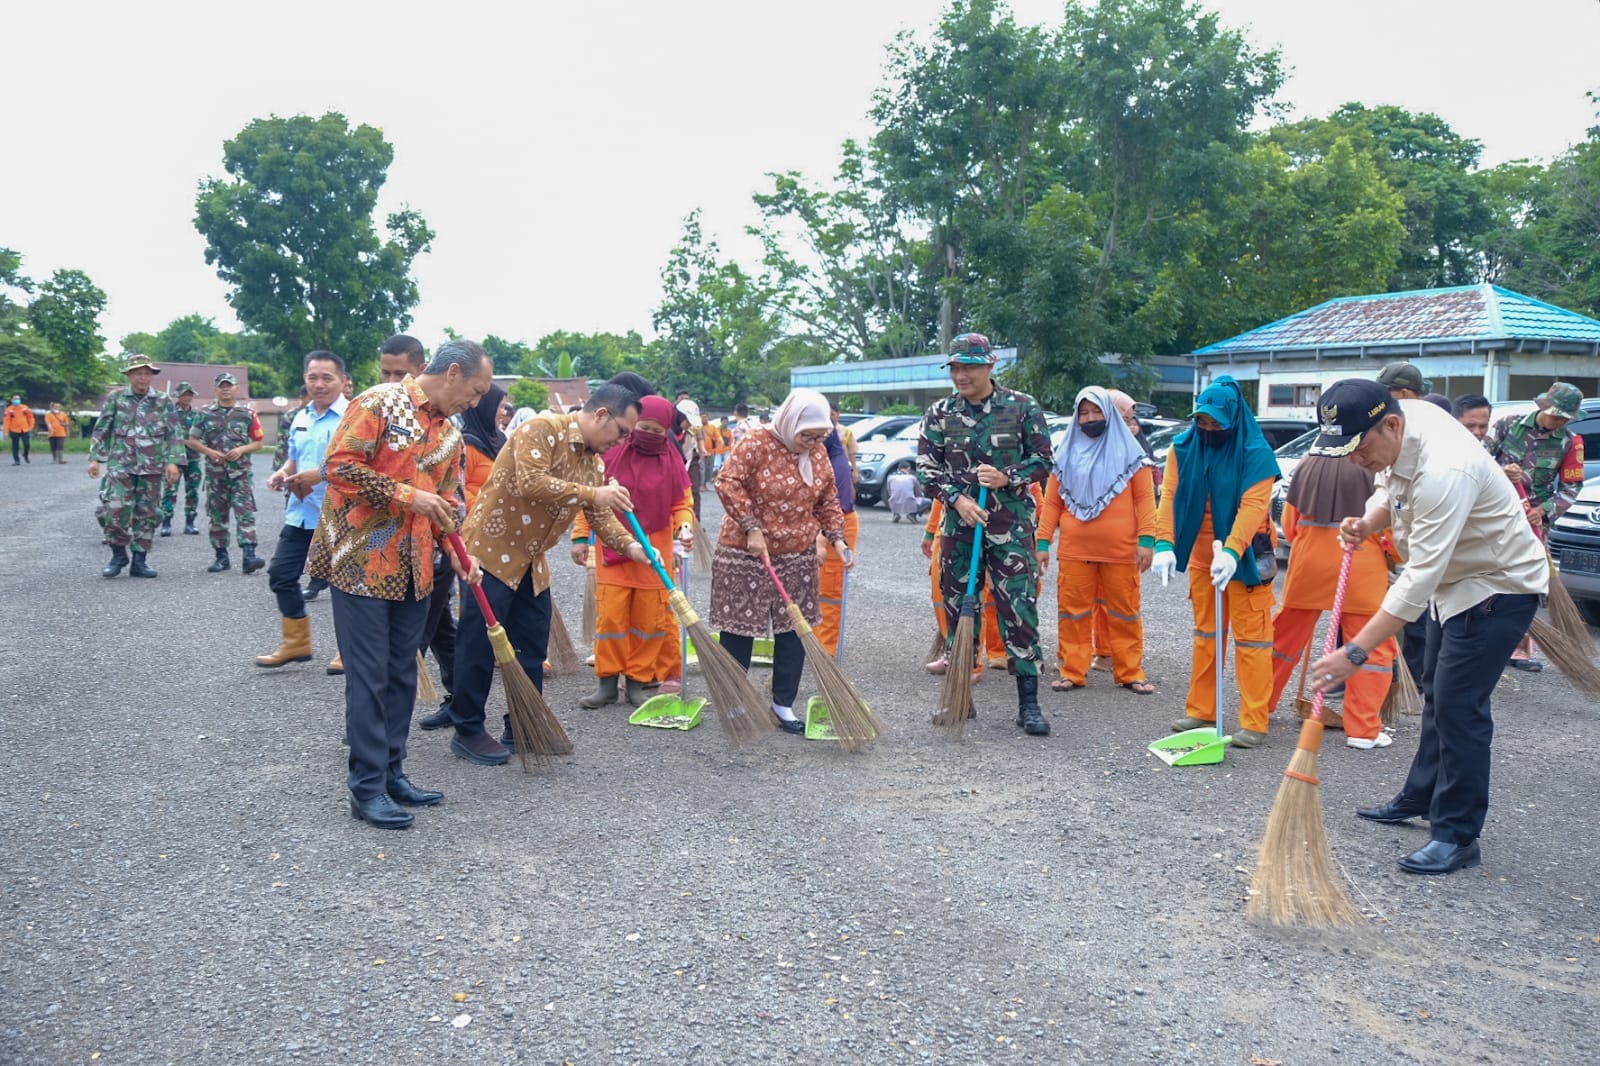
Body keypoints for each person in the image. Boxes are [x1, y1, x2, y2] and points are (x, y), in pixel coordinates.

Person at [1307, 379, 1548, 875]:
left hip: (1494, 589)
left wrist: (1353, 652)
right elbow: (1388, 489)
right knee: (1438, 693)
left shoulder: (1446, 469)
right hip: (1452, 587)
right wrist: (1369, 522)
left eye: (1360, 448)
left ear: (1391, 424)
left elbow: (1417, 580)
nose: (1355, 461)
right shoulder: (1403, 425)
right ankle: (1420, 796)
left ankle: (1458, 834)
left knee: (1461, 707)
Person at [307, 339, 492, 829]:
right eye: (474, 391)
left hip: (416, 569)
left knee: (401, 674)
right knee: (369, 679)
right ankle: (366, 788)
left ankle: (393, 773)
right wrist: (408, 496)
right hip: (361, 563)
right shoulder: (378, 403)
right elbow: (338, 467)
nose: (474, 403)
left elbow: (450, 503)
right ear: (452, 373)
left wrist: (458, 553)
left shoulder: (451, 434)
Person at [449, 384, 647, 764]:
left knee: (531, 644)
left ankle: (522, 724)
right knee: (477, 643)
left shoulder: (594, 462)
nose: (619, 441)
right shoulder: (542, 428)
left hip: (532, 561)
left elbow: (601, 518)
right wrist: (594, 495)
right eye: (620, 431)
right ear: (601, 415)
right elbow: (533, 483)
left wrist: (635, 549)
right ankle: (468, 729)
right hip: (490, 553)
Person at [916, 332, 1053, 735]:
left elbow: (1044, 460)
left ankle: (1028, 705)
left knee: (1019, 612)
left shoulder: (1022, 407)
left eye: (969, 367)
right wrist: (956, 498)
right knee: (959, 614)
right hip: (960, 529)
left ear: (990, 366)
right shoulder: (940, 413)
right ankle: (961, 699)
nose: (961, 375)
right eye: (955, 367)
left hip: (1010, 528)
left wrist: (1008, 477)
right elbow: (926, 467)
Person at [1151, 375, 1281, 748]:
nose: (1207, 429)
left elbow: (1254, 506)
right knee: (1207, 633)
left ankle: (1254, 721)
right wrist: (1164, 544)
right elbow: (1170, 495)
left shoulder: (1254, 452)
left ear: (1233, 420)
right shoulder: (1183, 447)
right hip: (1200, 553)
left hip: (1246, 554)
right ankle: (1202, 708)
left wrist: (1231, 551)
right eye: (1201, 421)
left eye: (1215, 423)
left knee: (1252, 638)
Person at [712, 387, 851, 733]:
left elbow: (828, 501)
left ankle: (782, 703)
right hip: (746, 553)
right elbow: (727, 481)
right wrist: (751, 527)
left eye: (820, 436)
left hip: (797, 555)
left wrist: (838, 538)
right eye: (808, 434)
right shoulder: (757, 441)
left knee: (793, 631)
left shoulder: (818, 455)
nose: (813, 442)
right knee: (740, 630)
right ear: (792, 421)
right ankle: (734, 701)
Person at [1267, 455, 1400, 748]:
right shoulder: (1376, 461)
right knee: (1371, 648)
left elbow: (1289, 526)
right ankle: (1363, 730)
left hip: (1308, 565)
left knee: (1283, 641)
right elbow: (1393, 529)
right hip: (1361, 566)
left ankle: (1258, 707)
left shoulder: (1308, 463)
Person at [570, 394, 694, 707]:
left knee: (649, 623)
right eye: (643, 427)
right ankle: (607, 682)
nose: (649, 435)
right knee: (610, 620)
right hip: (614, 551)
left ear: (666, 431)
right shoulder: (611, 455)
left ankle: (639, 680)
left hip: (654, 555)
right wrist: (580, 537)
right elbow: (590, 500)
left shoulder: (672, 461)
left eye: (657, 430)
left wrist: (685, 527)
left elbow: (683, 503)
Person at [1036, 386, 1158, 695]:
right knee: (1072, 612)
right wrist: (1042, 542)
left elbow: (1145, 499)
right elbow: (1052, 503)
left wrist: (1147, 540)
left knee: (1125, 612)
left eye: (1097, 412)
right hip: (1076, 550)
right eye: (1084, 413)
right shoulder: (1064, 456)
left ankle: (1130, 671)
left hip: (1121, 551)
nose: (1090, 418)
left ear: (1109, 414)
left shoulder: (1132, 454)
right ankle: (1072, 671)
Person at [413, 382, 507, 732]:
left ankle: (455, 698)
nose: (497, 410)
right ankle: (381, 716)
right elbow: (459, 497)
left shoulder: (499, 441)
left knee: (440, 626)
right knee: (438, 627)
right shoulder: (466, 443)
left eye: (497, 403)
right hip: (460, 540)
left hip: (483, 544)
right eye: (495, 405)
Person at [256, 352, 349, 668]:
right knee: (281, 575)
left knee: (344, 586)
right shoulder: (301, 417)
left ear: (343, 382)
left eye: (327, 378)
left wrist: (320, 475)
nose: (319, 384)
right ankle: (297, 644)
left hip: (341, 515)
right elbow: (294, 458)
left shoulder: (355, 417)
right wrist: (282, 472)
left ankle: (349, 650)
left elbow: (357, 466)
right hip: (301, 512)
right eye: (313, 377)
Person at [1486, 381, 1585, 673]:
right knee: (1491, 576)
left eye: (1565, 418)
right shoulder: (1507, 426)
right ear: (1543, 407)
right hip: (1497, 515)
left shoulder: (1569, 442)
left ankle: (1518, 649)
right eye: (1557, 415)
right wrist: (1501, 471)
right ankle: (1487, 640)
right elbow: (1478, 461)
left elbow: (1571, 488)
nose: (1560, 422)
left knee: (1529, 583)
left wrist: (1544, 510)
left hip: (1534, 523)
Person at [89, 354, 183, 578]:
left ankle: (139, 561)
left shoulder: (162, 400)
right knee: (114, 510)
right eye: (138, 373)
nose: (143, 377)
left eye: (147, 373)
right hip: (121, 464)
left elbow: (174, 432)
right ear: (129, 375)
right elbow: (102, 428)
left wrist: (173, 461)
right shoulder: (116, 398)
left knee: (147, 514)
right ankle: (118, 553)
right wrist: (95, 458)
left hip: (152, 467)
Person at [186, 372, 266, 575]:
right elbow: (192, 440)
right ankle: (221, 557)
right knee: (217, 516)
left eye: (229, 385)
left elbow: (258, 442)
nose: (226, 389)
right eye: (222, 386)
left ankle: (249, 556)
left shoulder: (246, 414)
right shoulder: (204, 413)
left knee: (245, 514)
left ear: (236, 389)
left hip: (240, 474)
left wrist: (241, 450)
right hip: (215, 475)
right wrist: (210, 452)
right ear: (216, 389)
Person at [814, 423, 860, 656]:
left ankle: (826, 648)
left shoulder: (837, 465)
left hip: (837, 528)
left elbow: (837, 510)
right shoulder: (821, 459)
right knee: (816, 588)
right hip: (821, 528)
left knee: (829, 591)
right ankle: (814, 642)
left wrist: (822, 541)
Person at [160, 382, 205, 537]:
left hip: (193, 458)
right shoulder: (169, 413)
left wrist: (196, 444)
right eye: (184, 394)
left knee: (192, 492)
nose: (187, 397)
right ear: (177, 396)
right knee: (170, 491)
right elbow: (162, 435)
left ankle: (190, 523)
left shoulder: (197, 414)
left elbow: (203, 435)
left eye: (189, 394)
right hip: (174, 459)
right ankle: (166, 523)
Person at [6, 394, 34, 464]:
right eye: (15, 399)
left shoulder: (24, 408)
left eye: (18, 399)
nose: (17, 400)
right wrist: (6, 431)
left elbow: (31, 417)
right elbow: (6, 421)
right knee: (15, 446)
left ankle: (25, 455)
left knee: (27, 444)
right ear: (12, 400)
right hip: (14, 430)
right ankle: (16, 460)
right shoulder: (9, 409)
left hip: (24, 429)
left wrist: (31, 426)